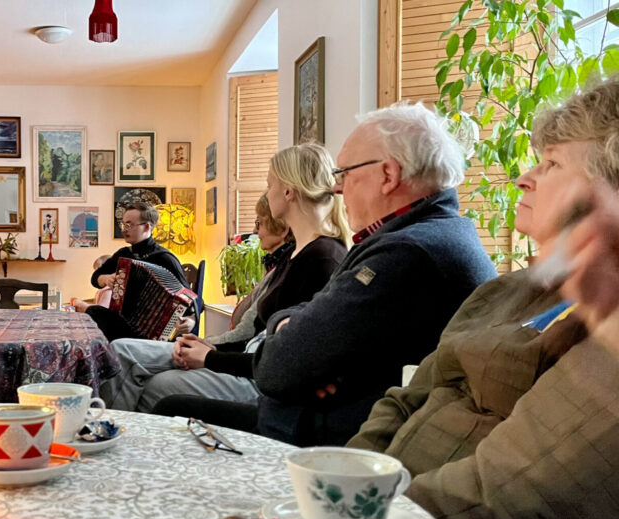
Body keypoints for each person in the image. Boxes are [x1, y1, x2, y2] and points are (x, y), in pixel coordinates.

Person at [347, 77, 619, 519]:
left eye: (552, 164)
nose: (524, 178)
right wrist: (345, 479)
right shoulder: (509, 290)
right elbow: (406, 397)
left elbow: (503, 496)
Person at [158, 103, 498, 446]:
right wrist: (290, 329)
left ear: (388, 175)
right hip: (317, 417)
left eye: (345, 173)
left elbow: (278, 368)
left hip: (330, 444)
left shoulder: (405, 252)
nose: (336, 188)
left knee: (169, 409)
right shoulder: (432, 233)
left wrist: (298, 345)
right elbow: (304, 335)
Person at [106, 144, 349, 411]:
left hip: (256, 379)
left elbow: (285, 358)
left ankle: (116, 431)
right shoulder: (294, 254)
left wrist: (210, 356)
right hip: (244, 360)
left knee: (155, 384)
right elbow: (257, 335)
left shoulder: (322, 258)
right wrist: (207, 346)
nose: (267, 193)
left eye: (270, 185)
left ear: (288, 192)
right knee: (120, 350)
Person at [74, 201, 198, 340]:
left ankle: (83, 307)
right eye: (123, 225)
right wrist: (105, 279)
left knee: (95, 314)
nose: (124, 230)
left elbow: (191, 298)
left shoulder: (165, 259)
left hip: (151, 333)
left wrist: (191, 319)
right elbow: (95, 277)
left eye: (129, 225)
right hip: (123, 323)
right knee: (96, 319)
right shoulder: (123, 254)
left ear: (147, 227)